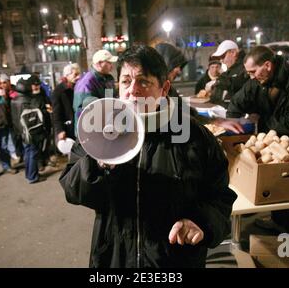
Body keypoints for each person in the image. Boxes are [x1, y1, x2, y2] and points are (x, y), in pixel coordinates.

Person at [59, 45, 237, 268]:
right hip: (115, 260)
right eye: (125, 81)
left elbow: (220, 197)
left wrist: (201, 222)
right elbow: (73, 190)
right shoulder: (96, 130)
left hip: (175, 262)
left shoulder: (194, 137)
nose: (133, 90)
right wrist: (99, 161)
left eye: (144, 81)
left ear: (164, 89)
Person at [227, 45, 289, 236]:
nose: (250, 76)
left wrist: (268, 132)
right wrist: (234, 126)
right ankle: (278, 225)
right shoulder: (257, 82)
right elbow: (237, 102)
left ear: (267, 65)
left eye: (253, 71)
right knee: (276, 190)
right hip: (274, 146)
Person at [10, 79, 47, 183]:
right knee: (32, 153)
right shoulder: (28, 100)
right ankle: (32, 177)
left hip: (21, 131)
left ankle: (30, 174)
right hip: (30, 132)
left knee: (28, 152)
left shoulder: (14, 100)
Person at [73, 50, 117, 134]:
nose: (111, 65)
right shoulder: (86, 82)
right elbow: (85, 110)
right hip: (89, 132)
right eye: (109, 62)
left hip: (104, 128)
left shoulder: (106, 78)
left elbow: (110, 102)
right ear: (99, 63)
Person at [210, 40, 249, 108]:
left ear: (233, 53)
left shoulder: (245, 67)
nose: (221, 60)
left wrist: (218, 81)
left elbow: (235, 84)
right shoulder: (230, 70)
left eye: (223, 56)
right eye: (219, 58)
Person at [28, 74, 53, 171]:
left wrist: (49, 107)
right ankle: (39, 163)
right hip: (35, 124)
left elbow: (48, 102)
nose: (36, 86)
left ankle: (45, 159)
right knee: (37, 145)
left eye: (37, 84)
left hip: (46, 121)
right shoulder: (29, 96)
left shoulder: (42, 93)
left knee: (46, 142)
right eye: (34, 84)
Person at [52, 63, 81, 142]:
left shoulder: (80, 87)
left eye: (79, 74)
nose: (78, 77)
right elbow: (56, 114)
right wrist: (60, 130)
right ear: (67, 75)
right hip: (69, 128)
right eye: (75, 74)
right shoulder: (59, 91)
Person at [0, 73, 20, 163]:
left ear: (9, 82)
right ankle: (15, 154)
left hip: (16, 119)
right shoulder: (0, 93)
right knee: (10, 138)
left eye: (4, 82)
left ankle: (19, 153)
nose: (2, 85)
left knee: (18, 137)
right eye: (1, 83)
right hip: (6, 120)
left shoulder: (15, 91)